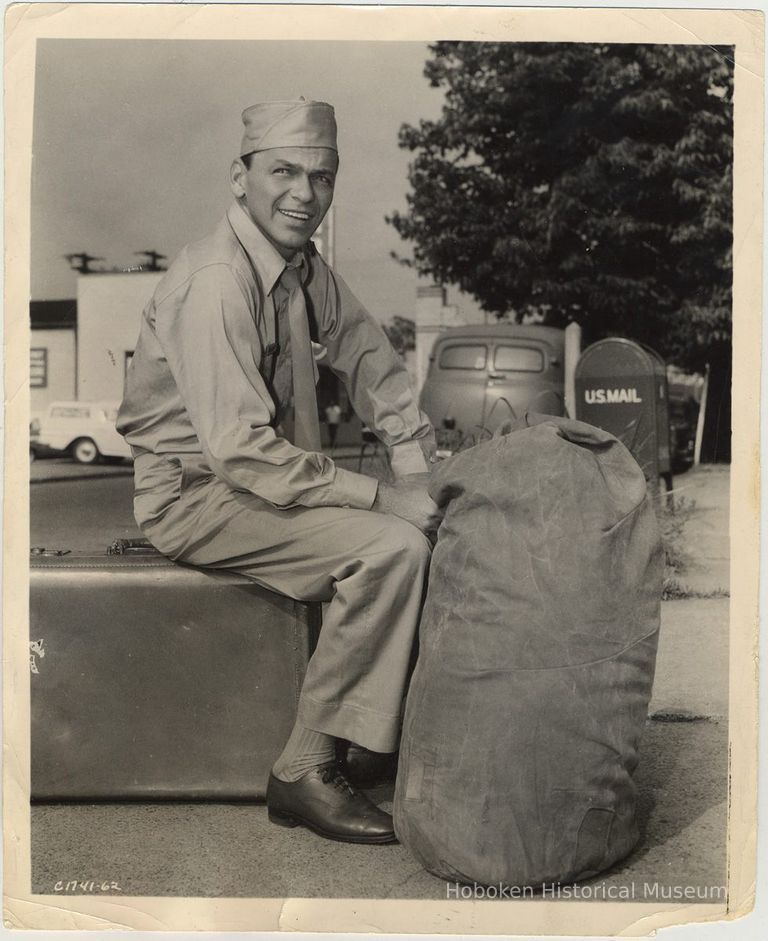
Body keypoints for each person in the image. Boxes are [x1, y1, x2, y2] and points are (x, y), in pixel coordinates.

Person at [117, 99, 441, 844]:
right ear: (241, 177)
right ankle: (304, 765)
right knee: (390, 548)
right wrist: (383, 495)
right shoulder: (216, 282)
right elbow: (238, 450)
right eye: (284, 171)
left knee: (413, 525)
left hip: (254, 483)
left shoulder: (299, 268)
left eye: (321, 177)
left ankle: (358, 730)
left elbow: (369, 357)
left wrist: (416, 466)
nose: (304, 193)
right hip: (194, 493)